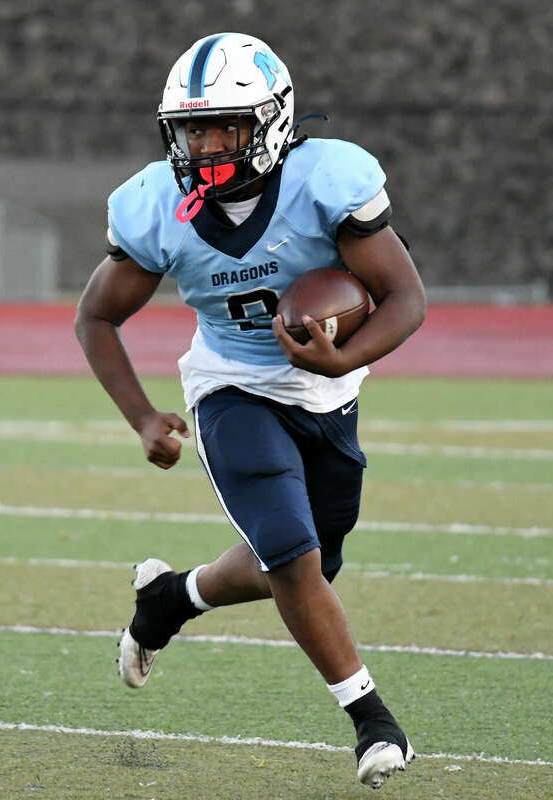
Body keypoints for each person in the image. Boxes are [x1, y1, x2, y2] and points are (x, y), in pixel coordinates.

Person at [74, 32, 426, 790]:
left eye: (226, 125)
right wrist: (141, 415)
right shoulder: (159, 205)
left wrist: (346, 359)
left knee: (306, 568)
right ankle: (372, 721)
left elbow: (406, 297)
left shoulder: (326, 181)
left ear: (269, 120)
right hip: (231, 387)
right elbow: (96, 317)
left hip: (327, 392)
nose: (205, 145)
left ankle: (170, 598)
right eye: (193, 128)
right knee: (293, 558)